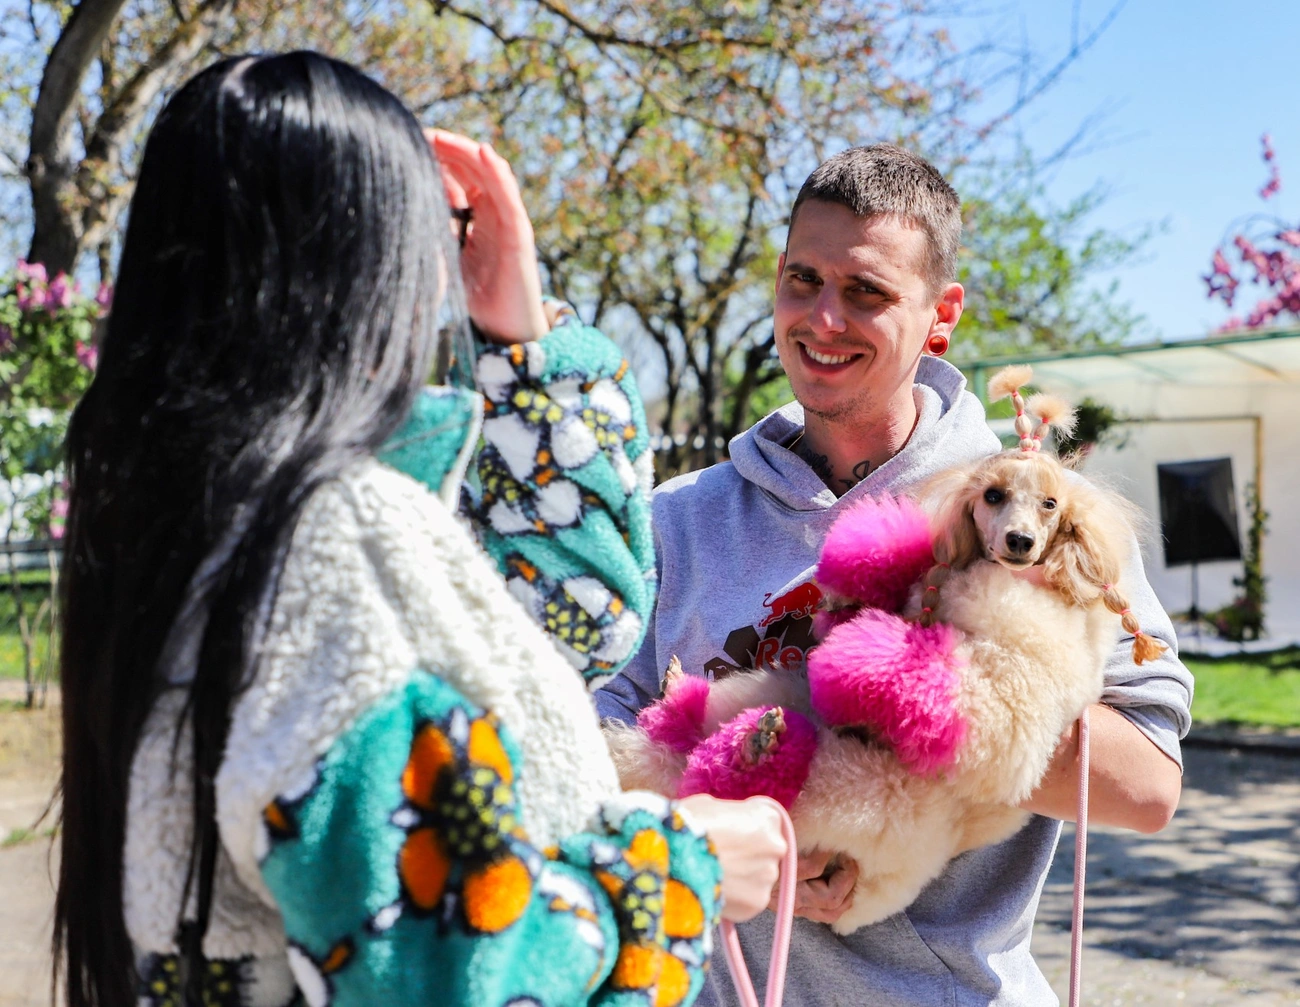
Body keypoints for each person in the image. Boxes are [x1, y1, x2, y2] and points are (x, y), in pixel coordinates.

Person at [54, 51, 787, 1007]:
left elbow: (567, 624)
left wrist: (526, 350)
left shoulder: (185, 520)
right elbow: (443, 968)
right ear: (358, 259)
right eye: (429, 231)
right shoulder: (331, 534)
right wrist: (675, 876)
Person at [595, 143, 1192, 1006]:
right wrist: (702, 833)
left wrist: (928, 697)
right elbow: (599, 734)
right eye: (803, 279)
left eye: (867, 292)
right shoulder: (676, 518)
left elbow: (1147, 787)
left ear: (941, 314)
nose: (824, 318)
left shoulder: (1029, 511)